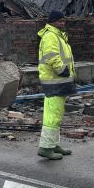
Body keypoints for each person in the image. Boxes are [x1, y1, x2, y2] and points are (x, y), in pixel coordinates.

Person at [37, 11, 76, 160]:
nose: (62, 23)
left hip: (58, 81)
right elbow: (51, 57)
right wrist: (63, 71)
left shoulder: (57, 35)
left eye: (63, 21)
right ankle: (46, 148)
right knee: (53, 116)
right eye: (59, 21)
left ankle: (53, 144)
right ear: (52, 21)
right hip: (55, 81)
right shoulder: (50, 36)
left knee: (55, 114)